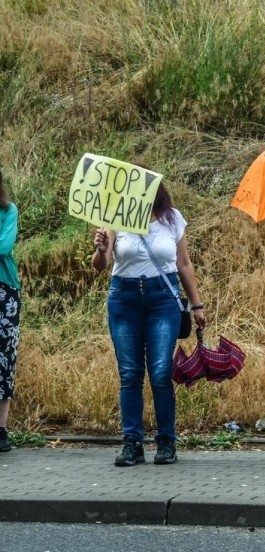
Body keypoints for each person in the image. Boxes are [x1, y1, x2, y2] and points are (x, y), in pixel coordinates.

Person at [91, 180, 205, 466]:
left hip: (162, 299)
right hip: (124, 298)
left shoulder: (172, 219)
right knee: (130, 373)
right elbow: (101, 264)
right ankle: (132, 443)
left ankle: (166, 442)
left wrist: (197, 304)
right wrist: (101, 248)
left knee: (160, 372)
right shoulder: (115, 218)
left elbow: (184, 263)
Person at [0, 171, 21, 454]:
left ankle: (1, 429)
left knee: (4, 357)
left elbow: (4, 246)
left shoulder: (8, 210)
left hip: (5, 291)